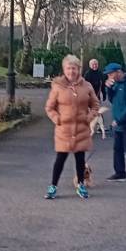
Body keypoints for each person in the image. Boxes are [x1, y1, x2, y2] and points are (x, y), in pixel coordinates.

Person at [44, 55, 100, 199]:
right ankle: (53, 186)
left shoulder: (87, 86)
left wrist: (88, 118)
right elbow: (49, 107)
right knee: (60, 159)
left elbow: (95, 105)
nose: (71, 71)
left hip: (81, 129)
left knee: (80, 160)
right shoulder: (58, 86)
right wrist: (57, 119)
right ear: (64, 69)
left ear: (78, 69)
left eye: (74, 68)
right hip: (64, 130)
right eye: (68, 68)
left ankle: (81, 185)